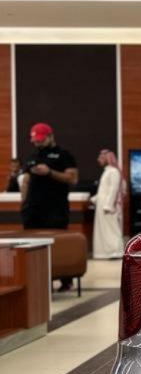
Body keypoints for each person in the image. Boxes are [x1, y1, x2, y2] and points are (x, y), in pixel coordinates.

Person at [21, 122, 78, 290]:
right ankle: (38, 280)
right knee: (32, 245)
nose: (37, 143)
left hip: (55, 209)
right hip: (33, 210)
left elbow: (72, 179)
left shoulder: (64, 155)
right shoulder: (32, 157)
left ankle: (65, 280)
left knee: (58, 245)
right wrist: (24, 203)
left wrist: (49, 172)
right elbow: (25, 180)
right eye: (35, 140)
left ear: (50, 136)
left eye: (40, 139)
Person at [93, 149, 126, 259]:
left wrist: (109, 205)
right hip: (103, 205)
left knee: (111, 230)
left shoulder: (113, 172)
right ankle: (105, 253)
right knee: (104, 230)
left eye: (101, 158)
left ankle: (115, 252)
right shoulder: (107, 171)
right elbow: (104, 190)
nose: (98, 160)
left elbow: (113, 190)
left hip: (109, 207)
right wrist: (94, 199)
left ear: (107, 159)